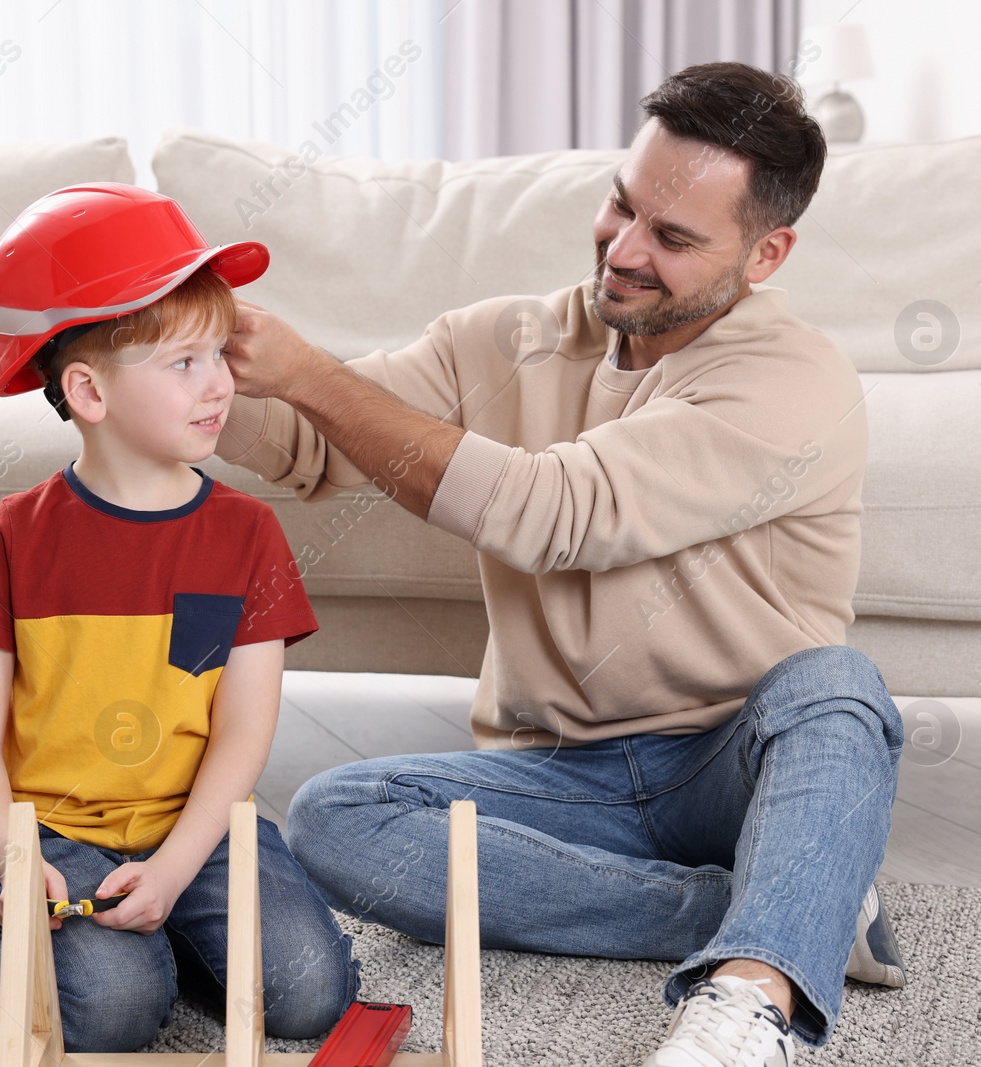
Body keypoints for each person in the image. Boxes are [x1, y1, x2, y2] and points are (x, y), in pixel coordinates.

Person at [216, 63, 904, 1067]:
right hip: (554, 773)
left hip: (728, 762)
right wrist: (163, 360)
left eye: (671, 238)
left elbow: (552, 512)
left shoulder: (790, 380)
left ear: (765, 252)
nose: (622, 250)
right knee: (335, 815)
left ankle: (752, 999)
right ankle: (775, 906)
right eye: (620, 206)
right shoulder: (506, 337)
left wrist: (312, 369)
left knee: (837, 689)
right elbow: (313, 437)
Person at [0, 184, 359, 1053]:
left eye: (218, 355)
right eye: (183, 363)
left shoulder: (249, 533)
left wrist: (173, 866)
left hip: (198, 821)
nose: (220, 383)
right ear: (87, 390)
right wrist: (18, 862)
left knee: (311, 993)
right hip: (57, 834)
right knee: (113, 1013)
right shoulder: (10, 539)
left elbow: (243, 729)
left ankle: (165, 931)